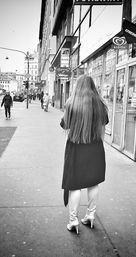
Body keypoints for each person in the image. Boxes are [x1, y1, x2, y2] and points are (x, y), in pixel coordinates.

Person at [60, 75, 109, 234]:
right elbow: (105, 122)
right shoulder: (100, 104)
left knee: (74, 185)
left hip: (76, 147)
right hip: (95, 147)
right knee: (93, 182)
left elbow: (64, 125)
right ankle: (90, 216)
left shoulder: (71, 103)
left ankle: (73, 220)